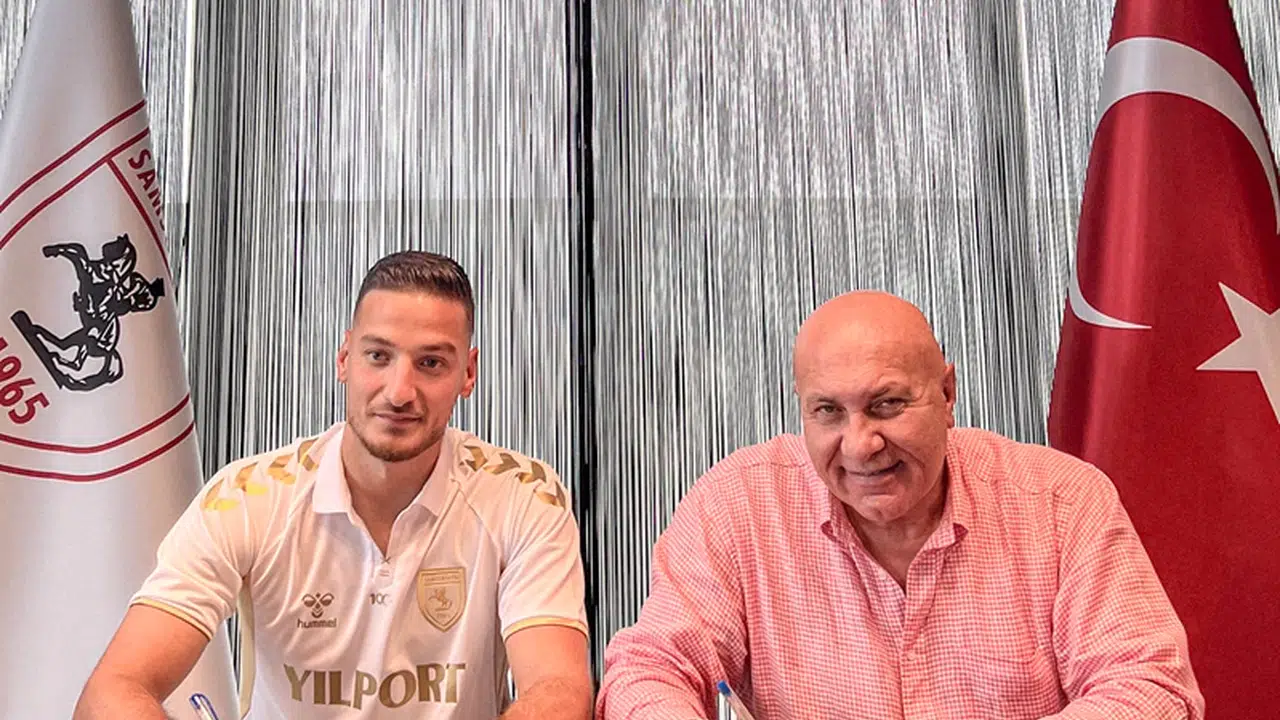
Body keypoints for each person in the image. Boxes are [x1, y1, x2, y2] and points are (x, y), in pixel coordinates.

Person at [596, 291, 1203, 719]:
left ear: (946, 394)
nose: (860, 445)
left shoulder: (1062, 502)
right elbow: (649, 669)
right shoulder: (737, 506)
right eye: (828, 411)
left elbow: (1149, 685)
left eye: (887, 404)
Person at [74, 251, 593, 719]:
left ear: (468, 374)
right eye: (378, 356)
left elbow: (560, 692)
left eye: (431, 363)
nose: (399, 391)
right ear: (344, 358)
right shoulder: (248, 497)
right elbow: (113, 691)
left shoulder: (524, 495)